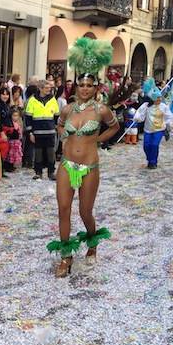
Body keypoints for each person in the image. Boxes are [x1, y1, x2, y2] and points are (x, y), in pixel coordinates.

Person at [47, 37, 120, 278]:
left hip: (89, 166)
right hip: (67, 165)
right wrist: (65, 136)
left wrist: (96, 140)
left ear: (96, 87)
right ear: (76, 87)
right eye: (82, 85)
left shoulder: (101, 110)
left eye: (90, 85)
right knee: (63, 209)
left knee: (85, 211)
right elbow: (59, 125)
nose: (85, 89)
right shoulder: (67, 109)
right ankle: (66, 257)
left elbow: (115, 127)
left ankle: (92, 240)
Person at [134, 78, 173, 168]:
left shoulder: (164, 107)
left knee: (154, 145)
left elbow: (169, 116)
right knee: (146, 146)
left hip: (159, 129)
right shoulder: (146, 106)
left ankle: (153, 162)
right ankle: (149, 158)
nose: (159, 99)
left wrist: (168, 125)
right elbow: (140, 114)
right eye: (157, 98)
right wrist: (137, 118)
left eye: (160, 97)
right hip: (148, 130)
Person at [25, 80, 60, 181]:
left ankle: (51, 172)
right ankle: (38, 172)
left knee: (51, 153)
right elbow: (28, 118)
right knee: (38, 153)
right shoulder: (32, 100)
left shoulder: (53, 100)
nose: (49, 90)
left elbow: (57, 116)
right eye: (46, 88)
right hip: (37, 132)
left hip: (50, 131)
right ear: (40, 88)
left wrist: (57, 127)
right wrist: (30, 133)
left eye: (50, 88)